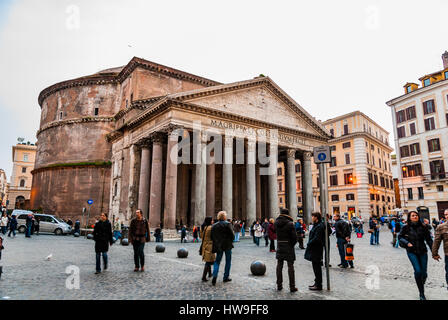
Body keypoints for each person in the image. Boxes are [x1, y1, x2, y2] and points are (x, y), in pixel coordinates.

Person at [398, 211, 433, 300]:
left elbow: (429, 240)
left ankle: (421, 280)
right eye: (413, 216)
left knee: (424, 273)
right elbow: (400, 237)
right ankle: (421, 293)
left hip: (423, 251)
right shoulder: (406, 227)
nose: (415, 217)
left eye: (416, 215)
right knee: (418, 271)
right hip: (411, 251)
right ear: (409, 217)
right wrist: (407, 243)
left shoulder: (423, 227)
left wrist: (434, 251)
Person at [274, 208, 298, 292]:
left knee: (279, 266)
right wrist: (291, 245)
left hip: (280, 245)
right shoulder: (290, 224)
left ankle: (279, 285)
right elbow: (294, 238)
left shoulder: (276, 223)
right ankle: (292, 286)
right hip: (288, 246)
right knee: (290, 267)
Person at [210, 211, 234, 285]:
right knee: (228, 261)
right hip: (227, 245)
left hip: (218, 245)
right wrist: (230, 240)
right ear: (224, 217)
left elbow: (212, 237)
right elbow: (232, 235)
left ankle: (214, 275)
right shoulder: (228, 224)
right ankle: (225, 277)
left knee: (217, 261)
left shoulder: (214, 225)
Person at [305, 212, 325, 291]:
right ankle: (316, 283)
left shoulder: (319, 226)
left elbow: (317, 238)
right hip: (315, 248)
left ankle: (318, 285)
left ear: (316, 217)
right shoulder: (317, 225)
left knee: (317, 267)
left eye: (312, 216)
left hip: (316, 249)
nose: (312, 217)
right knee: (315, 267)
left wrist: (309, 243)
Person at [432, 209, 448, 290]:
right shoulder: (441, 227)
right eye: (445, 214)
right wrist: (434, 253)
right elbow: (436, 241)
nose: (447, 216)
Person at [200, 217, 215, 281]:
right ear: (209, 221)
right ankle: (204, 277)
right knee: (208, 262)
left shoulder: (204, 227)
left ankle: (210, 273)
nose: (213, 221)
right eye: (212, 220)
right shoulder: (210, 228)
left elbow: (201, 236)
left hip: (204, 245)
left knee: (208, 260)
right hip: (209, 246)